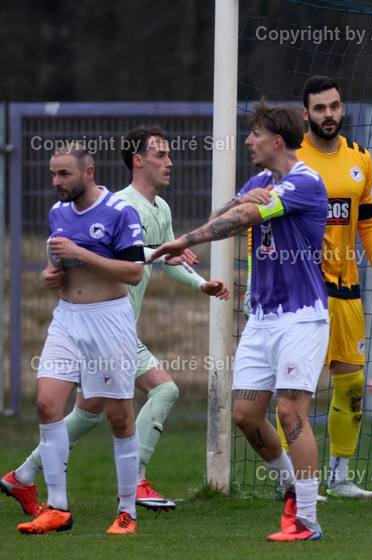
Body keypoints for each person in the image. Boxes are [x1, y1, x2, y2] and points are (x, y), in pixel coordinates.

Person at [1, 125, 229, 517]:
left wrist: (200, 284)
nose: (169, 162)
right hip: (105, 325)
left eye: (169, 154)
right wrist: (53, 272)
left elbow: (165, 258)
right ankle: (133, 484)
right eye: (160, 155)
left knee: (87, 413)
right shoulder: (120, 205)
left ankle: (23, 476)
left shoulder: (162, 209)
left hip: (114, 327)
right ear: (138, 161)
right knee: (163, 390)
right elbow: (132, 259)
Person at [150, 101, 329, 541]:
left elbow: (244, 219)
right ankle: (291, 485)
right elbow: (224, 218)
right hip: (262, 319)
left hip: (301, 317)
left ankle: (307, 519)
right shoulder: (259, 182)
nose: (248, 141)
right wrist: (239, 198)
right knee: (246, 415)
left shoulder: (306, 181)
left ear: (278, 141)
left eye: (255, 134)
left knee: (290, 412)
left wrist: (181, 242)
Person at [14, 142, 145, 535]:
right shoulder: (58, 211)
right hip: (67, 319)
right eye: (53, 174)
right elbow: (55, 262)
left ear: (88, 172)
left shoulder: (120, 211)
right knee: (47, 404)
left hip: (109, 321)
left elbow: (134, 273)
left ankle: (127, 512)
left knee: (119, 418)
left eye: (64, 174)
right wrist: (49, 275)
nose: (56, 181)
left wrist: (82, 254)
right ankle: (57, 507)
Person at [292, 75, 372, 499]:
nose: (329, 114)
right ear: (306, 114)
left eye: (334, 106)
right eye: (319, 108)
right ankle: (294, 481)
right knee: (296, 390)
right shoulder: (291, 159)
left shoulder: (360, 159)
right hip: (301, 292)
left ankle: (339, 478)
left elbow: (369, 222)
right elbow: (260, 223)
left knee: (352, 385)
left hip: (348, 291)